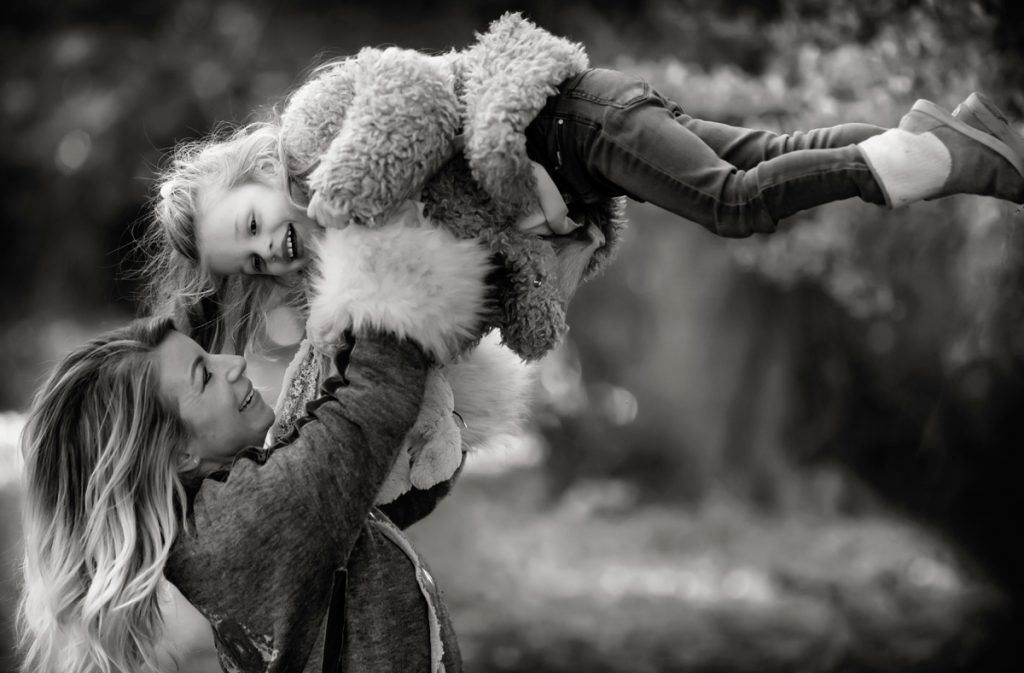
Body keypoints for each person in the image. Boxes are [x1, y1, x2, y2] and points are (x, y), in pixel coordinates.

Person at [145, 13, 1024, 363]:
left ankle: (925, 162)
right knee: (769, 150)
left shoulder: (309, 138)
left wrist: (338, 198)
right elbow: (480, 241)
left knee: (734, 201)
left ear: (255, 176)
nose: (271, 245)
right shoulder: (356, 226)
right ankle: (967, 139)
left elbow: (408, 86)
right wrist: (533, 298)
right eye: (255, 258)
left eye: (252, 222)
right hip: (580, 142)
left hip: (566, 120)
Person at [18, 230, 491, 673]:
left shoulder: (221, 519)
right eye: (204, 376)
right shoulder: (243, 526)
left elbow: (362, 516)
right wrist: (384, 252)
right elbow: (373, 403)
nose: (234, 362)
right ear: (177, 452)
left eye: (208, 355)